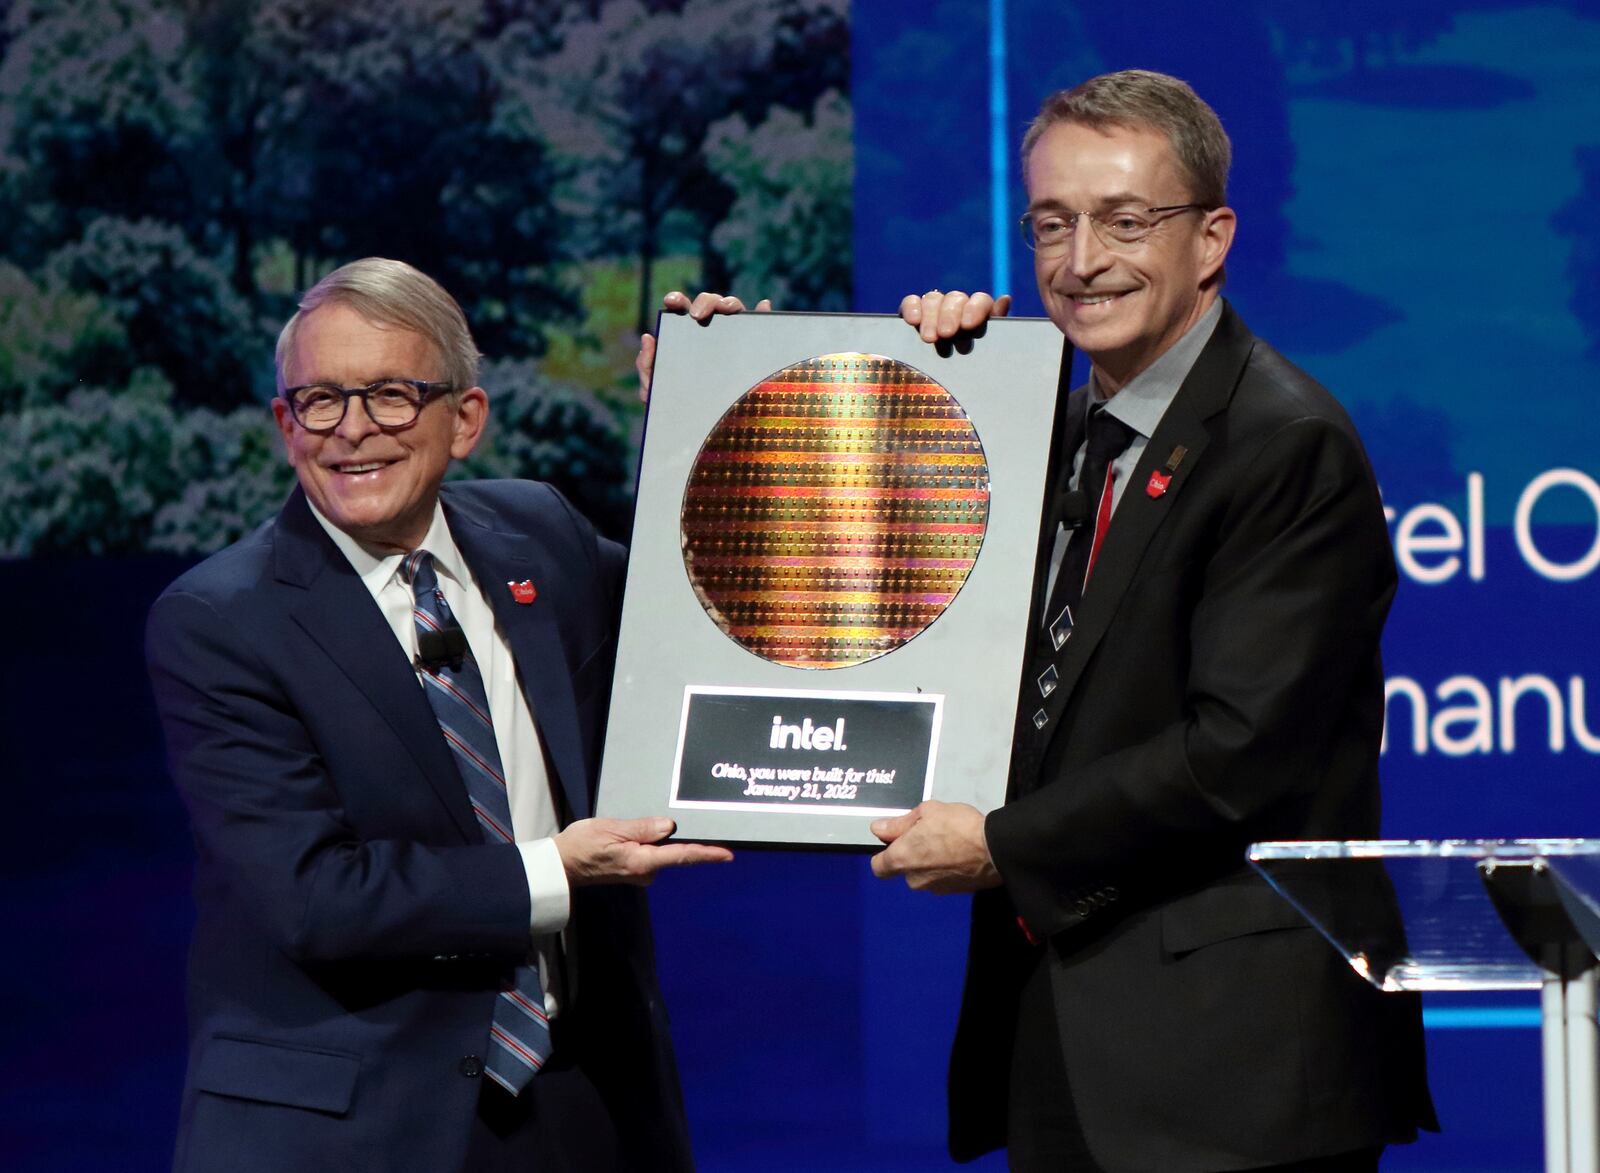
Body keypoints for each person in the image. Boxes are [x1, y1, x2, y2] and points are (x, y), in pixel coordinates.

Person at [646, 68, 1434, 1172]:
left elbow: (1239, 756)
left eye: (1124, 221)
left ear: (1211, 239)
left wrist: (1000, 847)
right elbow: (854, 578)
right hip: (1067, 1036)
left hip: (1235, 1067)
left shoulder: (1281, 441)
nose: (1079, 260)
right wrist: (750, 385)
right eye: (1052, 223)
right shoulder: (1037, 427)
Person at [146, 257, 731, 1173]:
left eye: (389, 394)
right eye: (320, 401)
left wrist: (713, 409)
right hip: (353, 1128)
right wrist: (557, 870)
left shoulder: (542, 535)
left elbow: (712, 615)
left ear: (465, 420)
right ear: (283, 423)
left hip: (587, 1109)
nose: (351, 431)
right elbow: (315, 898)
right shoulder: (220, 619)